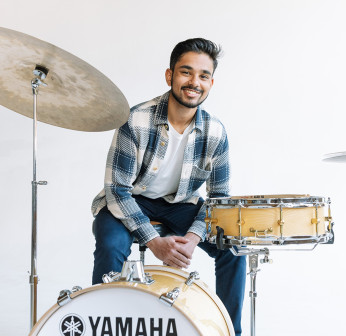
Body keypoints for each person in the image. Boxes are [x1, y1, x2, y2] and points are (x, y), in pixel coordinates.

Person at [91, 38, 246, 335]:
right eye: (186, 72)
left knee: (234, 245)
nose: (194, 82)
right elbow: (117, 190)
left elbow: (218, 198)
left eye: (203, 76)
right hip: (130, 200)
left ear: (211, 82)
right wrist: (153, 241)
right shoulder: (135, 120)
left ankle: (230, 331)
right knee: (111, 246)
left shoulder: (216, 132)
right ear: (170, 75)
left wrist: (193, 236)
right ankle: (103, 323)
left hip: (182, 206)